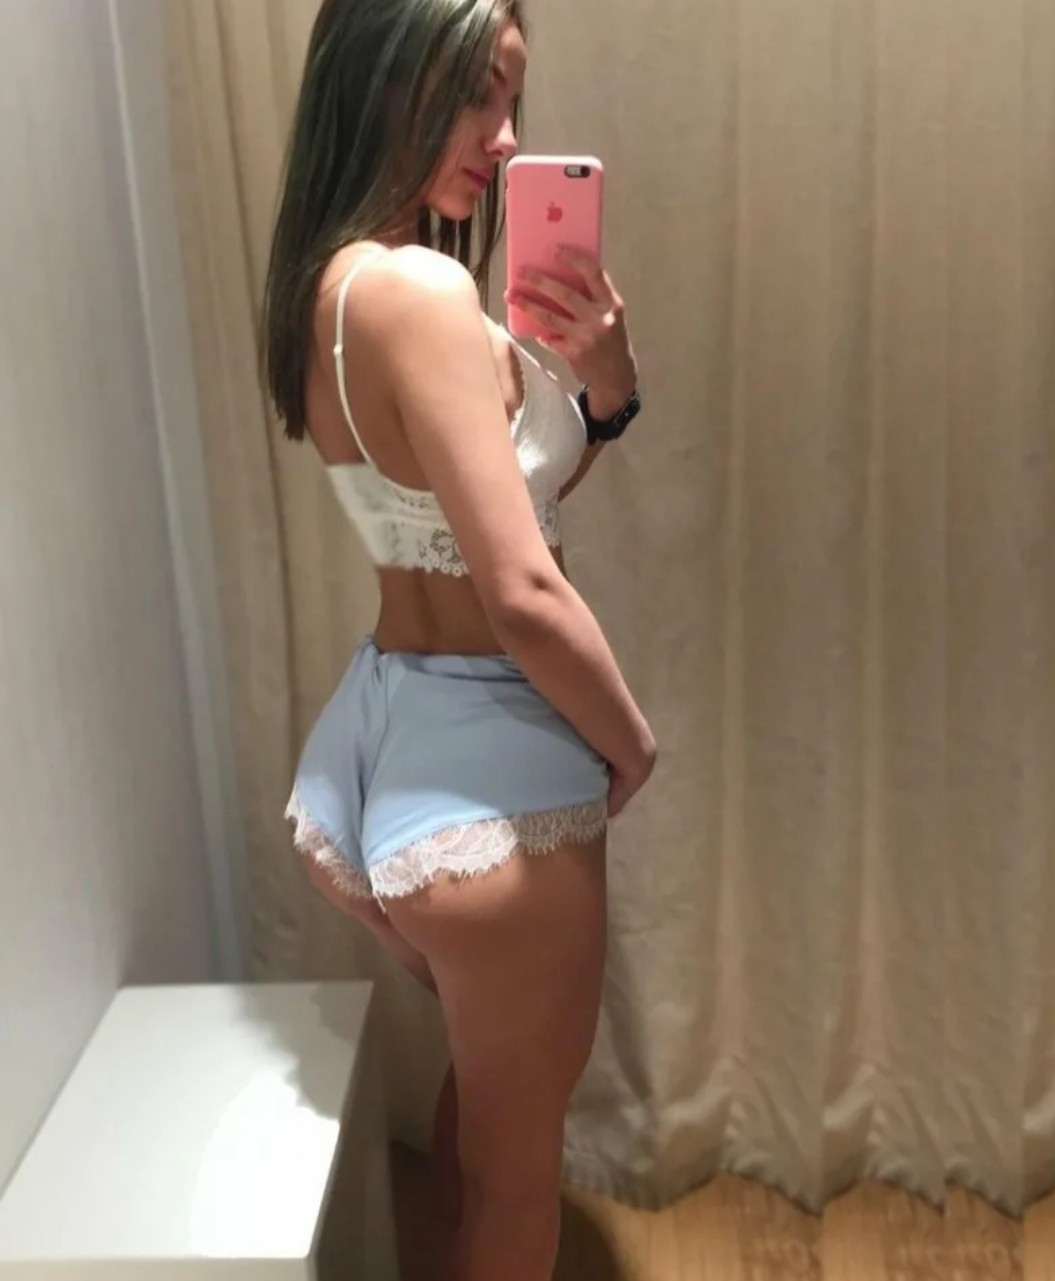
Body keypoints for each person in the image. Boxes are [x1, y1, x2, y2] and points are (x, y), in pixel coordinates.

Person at [262, 3, 655, 1278]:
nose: (507, 138)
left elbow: (469, 523)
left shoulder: (333, 289)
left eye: (512, 100)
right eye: (479, 93)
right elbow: (522, 591)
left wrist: (604, 398)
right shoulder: (427, 291)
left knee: (481, 1123)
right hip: (496, 781)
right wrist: (632, 747)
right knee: (518, 1187)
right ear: (387, 73)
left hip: (392, 755)